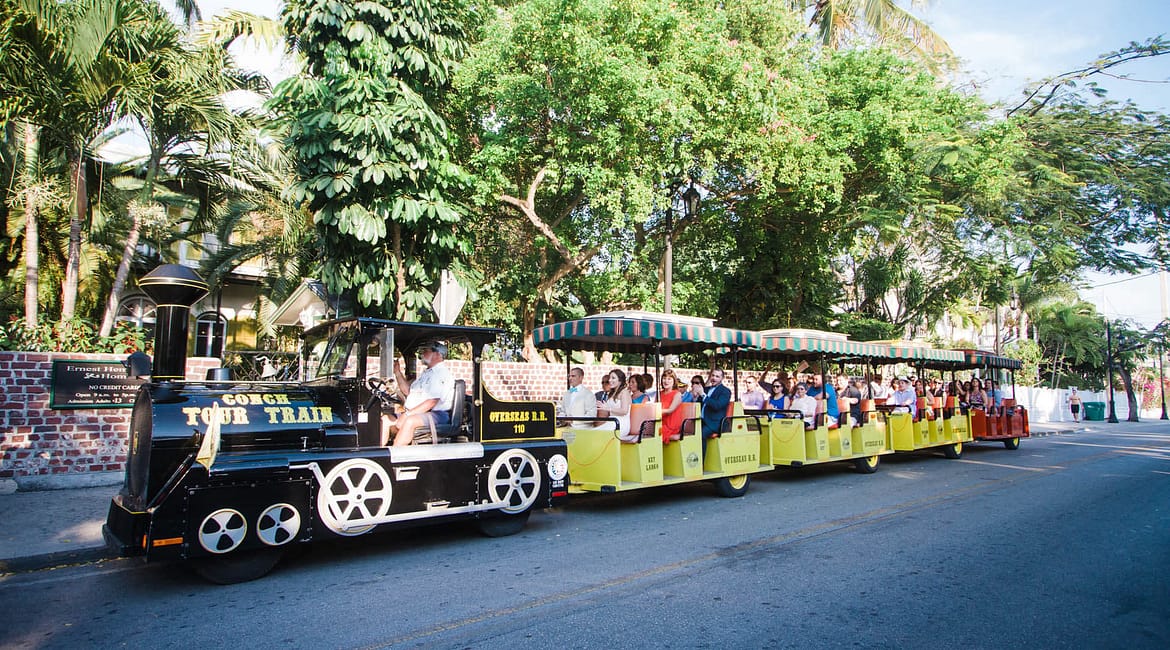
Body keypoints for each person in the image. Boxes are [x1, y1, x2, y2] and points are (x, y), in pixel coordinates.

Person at [382, 340, 455, 446]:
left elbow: (432, 402)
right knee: (385, 419)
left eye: (426, 350)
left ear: (437, 354)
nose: (423, 353)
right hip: (418, 412)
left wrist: (408, 414)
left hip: (437, 414)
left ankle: (395, 455)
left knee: (409, 421)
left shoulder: (441, 374)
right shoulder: (427, 373)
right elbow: (408, 391)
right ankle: (376, 454)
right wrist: (397, 372)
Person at [700, 368, 732, 453]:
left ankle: (701, 463)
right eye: (713, 375)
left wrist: (703, 396)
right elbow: (699, 403)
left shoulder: (725, 391)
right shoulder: (706, 389)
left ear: (722, 378)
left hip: (715, 423)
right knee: (687, 432)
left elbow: (717, 405)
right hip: (702, 420)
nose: (714, 378)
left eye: (717, 376)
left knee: (701, 434)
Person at [597, 369, 633, 441]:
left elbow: (624, 411)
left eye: (613, 378)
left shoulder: (624, 392)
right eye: (610, 378)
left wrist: (608, 408)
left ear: (620, 380)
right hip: (612, 421)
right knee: (593, 431)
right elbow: (606, 408)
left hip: (621, 423)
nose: (610, 380)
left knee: (597, 433)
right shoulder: (612, 393)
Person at [659, 370, 685, 443]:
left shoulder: (677, 394)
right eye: (664, 378)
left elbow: (670, 410)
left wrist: (657, 411)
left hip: (671, 424)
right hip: (661, 422)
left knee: (655, 432)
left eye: (669, 379)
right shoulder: (659, 393)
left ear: (674, 381)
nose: (666, 381)